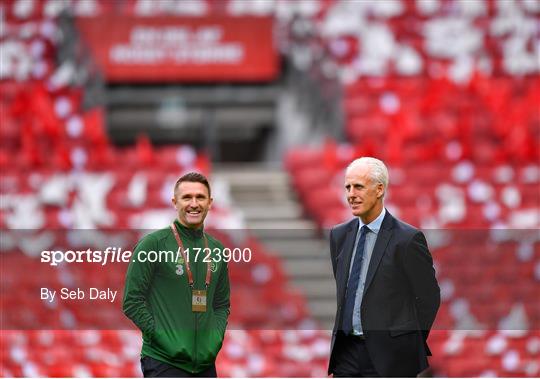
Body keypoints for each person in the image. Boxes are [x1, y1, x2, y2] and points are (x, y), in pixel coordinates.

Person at [328, 157, 440, 377]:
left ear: (379, 190)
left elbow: (429, 297)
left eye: (358, 186)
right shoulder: (339, 236)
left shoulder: (407, 239)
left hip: (392, 358)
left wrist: (405, 341)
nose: (351, 194)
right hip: (347, 355)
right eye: (348, 187)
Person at [123, 172, 230, 378]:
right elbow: (132, 301)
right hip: (164, 362)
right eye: (186, 197)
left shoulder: (217, 250)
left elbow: (221, 304)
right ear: (174, 202)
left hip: (205, 365)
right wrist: (162, 336)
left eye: (200, 197)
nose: (194, 203)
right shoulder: (153, 244)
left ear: (210, 203)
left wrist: (215, 339)